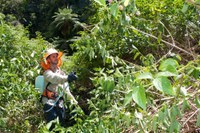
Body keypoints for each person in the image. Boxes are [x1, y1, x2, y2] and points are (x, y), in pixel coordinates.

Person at [40, 48, 78, 129]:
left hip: (59, 103)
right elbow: (55, 78)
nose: (56, 58)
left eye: (56, 56)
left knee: (61, 125)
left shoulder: (62, 73)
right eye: (53, 56)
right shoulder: (47, 73)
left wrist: (74, 103)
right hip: (49, 103)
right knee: (52, 127)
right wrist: (67, 77)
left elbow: (66, 90)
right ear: (48, 60)